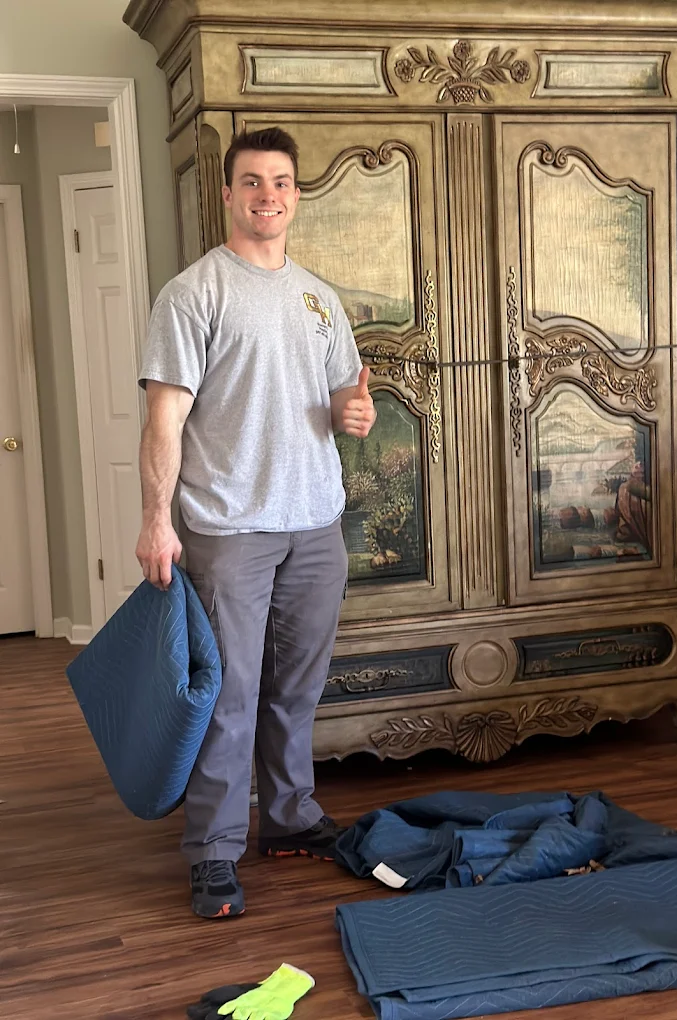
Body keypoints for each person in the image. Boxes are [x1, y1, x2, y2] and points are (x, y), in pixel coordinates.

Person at [134, 126, 376, 919]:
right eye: (251, 181)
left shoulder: (318, 297)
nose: (267, 194)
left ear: (294, 195)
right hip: (227, 527)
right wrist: (155, 521)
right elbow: (164, 420)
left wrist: (355, 411)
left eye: (280, 181)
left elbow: (344, 402)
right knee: (230, 694)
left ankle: (288, 815)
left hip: (314, 524)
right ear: (229, 194)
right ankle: (211, 850)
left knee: (296, 689)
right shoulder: (194, 293)